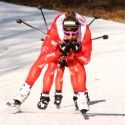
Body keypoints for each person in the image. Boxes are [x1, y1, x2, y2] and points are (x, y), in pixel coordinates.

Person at [36, 10, 92, 115]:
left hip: (71, 54)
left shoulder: (82, 30)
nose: (70, 35)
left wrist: (76, 51)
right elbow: (47, 51)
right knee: (53, 68)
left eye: (73, 32)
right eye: (67, 32)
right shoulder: (57, 30)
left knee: (74, 69)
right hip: (59, 52)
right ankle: (46, 96)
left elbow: (85, 58)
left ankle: (79, 96)